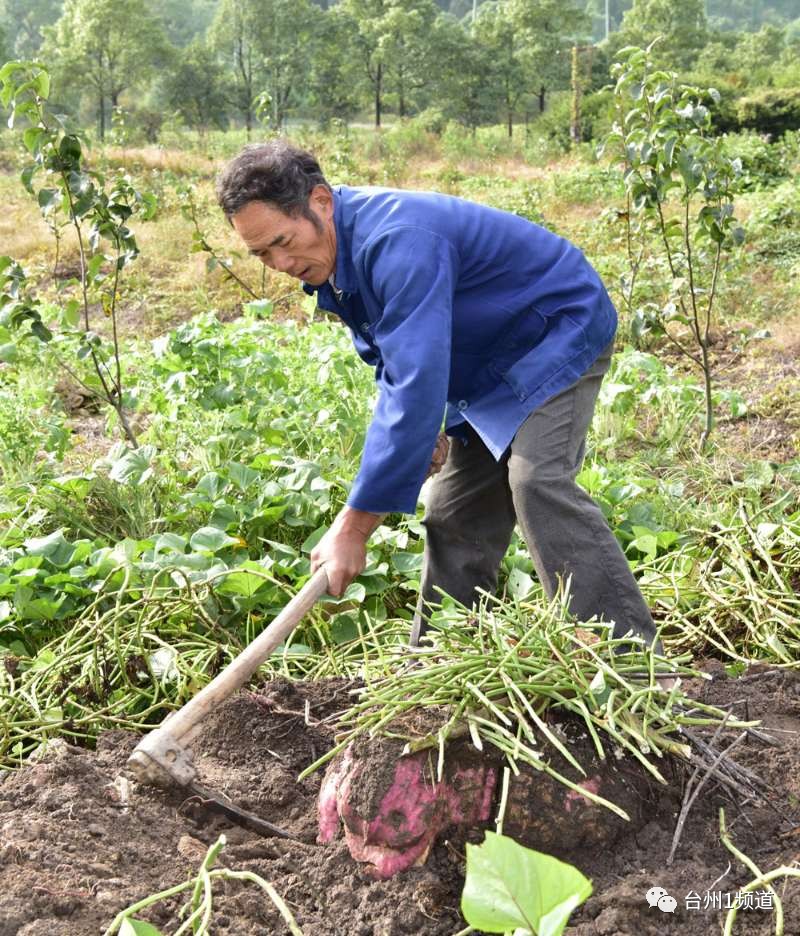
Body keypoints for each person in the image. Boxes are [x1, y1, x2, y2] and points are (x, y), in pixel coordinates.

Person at [216, 140, 661, 651]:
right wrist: (428, 423)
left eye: (282, 241)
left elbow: (414, 381)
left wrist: (354, 529)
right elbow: (396, 354)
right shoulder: (336, 258)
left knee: (537, 479)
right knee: (452, 511)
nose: (279, 263)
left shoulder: (398, 239)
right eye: (261, 254)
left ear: (320, 201)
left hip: (550, 332)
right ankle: (441, 661)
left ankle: (628, 660)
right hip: (483, 357)